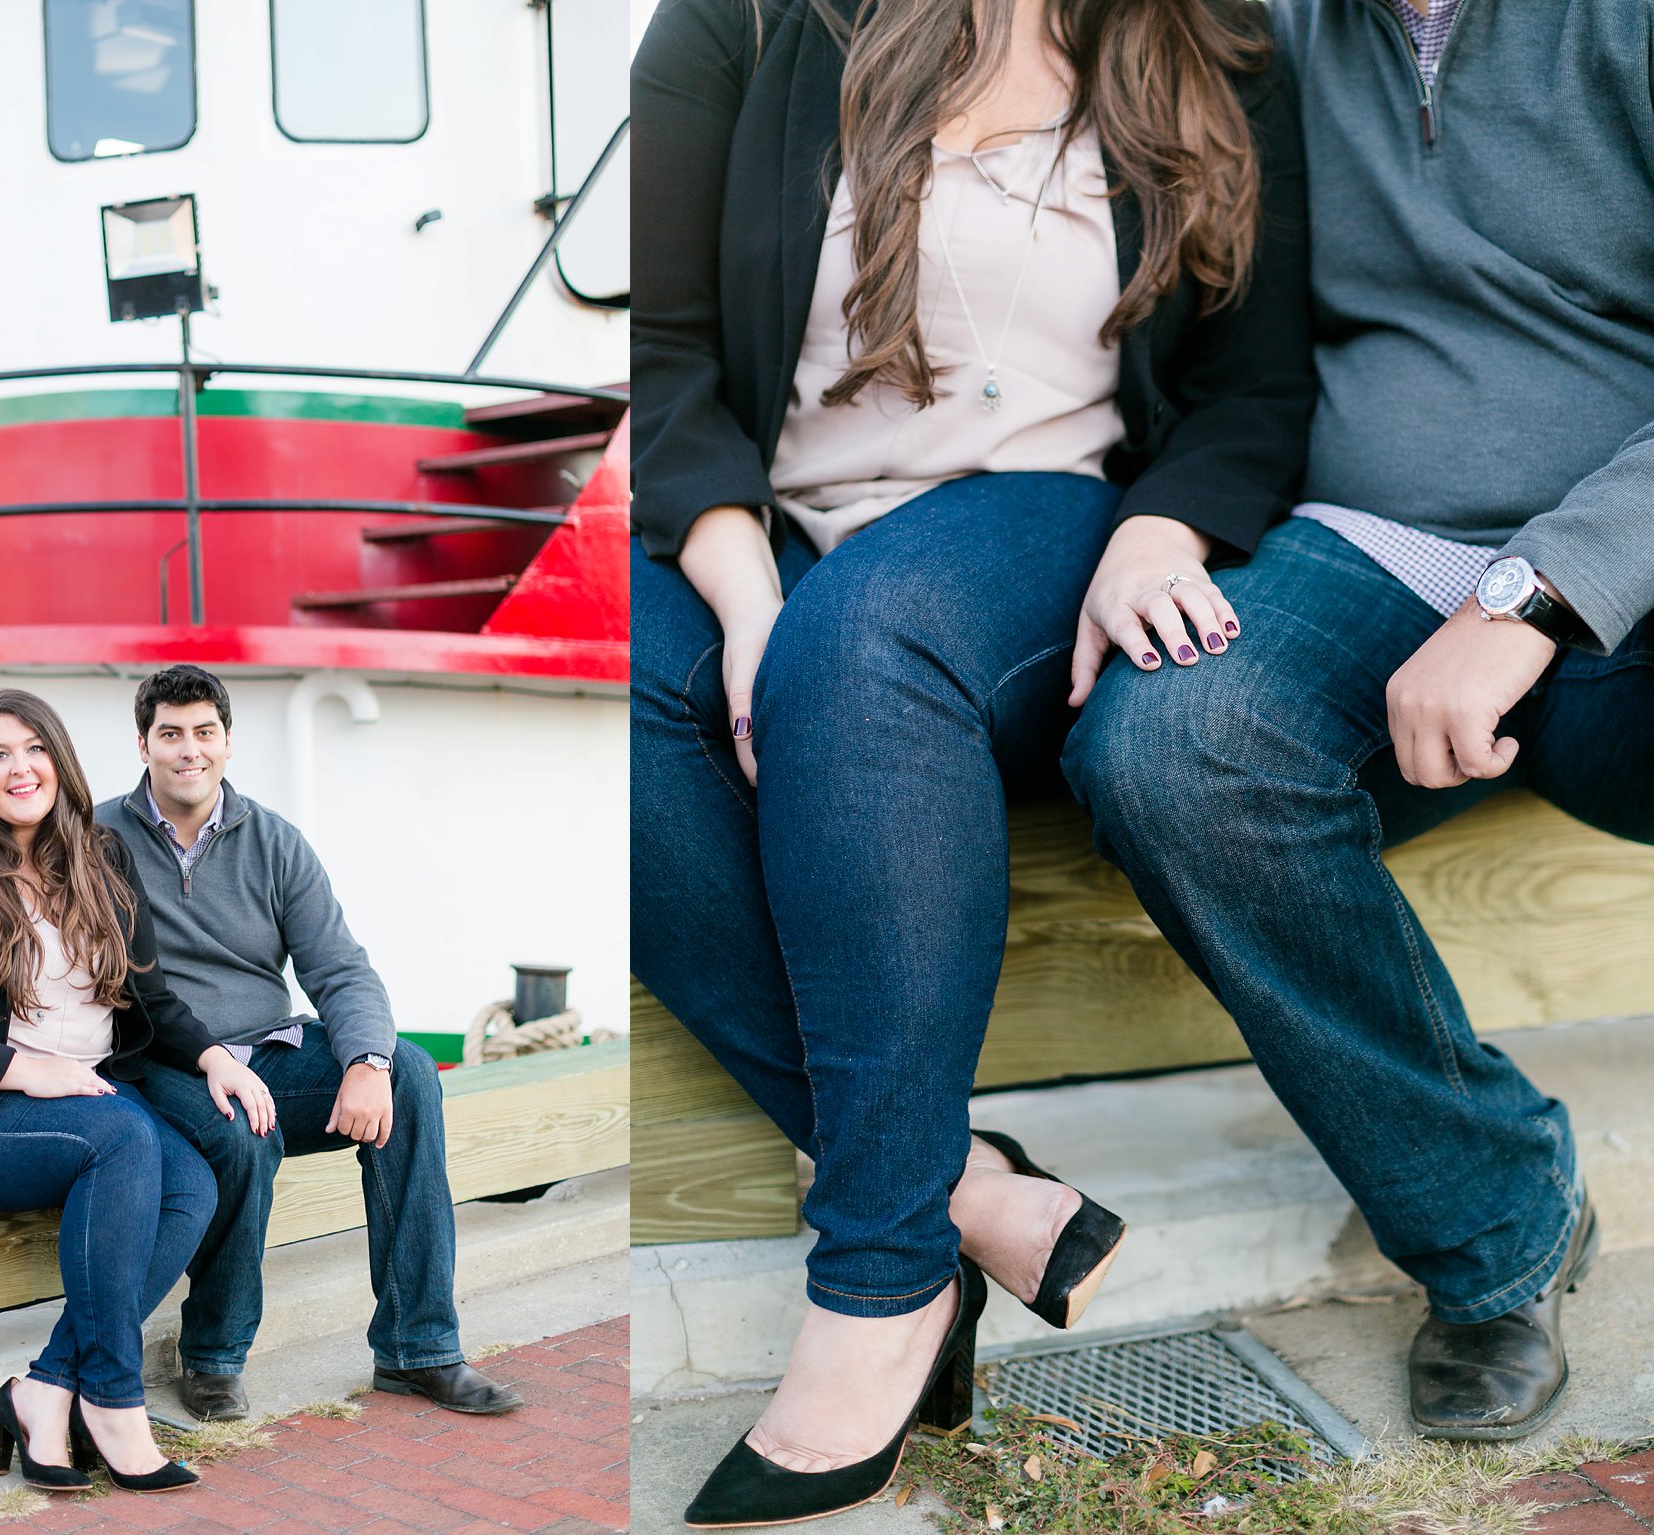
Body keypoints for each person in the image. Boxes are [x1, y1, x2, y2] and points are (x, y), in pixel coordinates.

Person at [631, 0, 1313, 1521]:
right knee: (615, 689)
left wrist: (1161, 526)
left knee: (863, 644)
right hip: (772, 537)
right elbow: (663, 360)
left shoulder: (1212, 48)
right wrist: (747, 615)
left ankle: (879, 1278)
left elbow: (1254, 392)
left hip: (1038, 528)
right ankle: (966, 1186)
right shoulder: (739, 29)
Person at [1063, 0, 1654, 1443]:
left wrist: (1532, 595)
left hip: (1618, 549)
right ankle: (1498, 1225)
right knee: (1172, 745)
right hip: (1371, 541)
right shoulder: (1262, 29)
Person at [0, 688, 276, 1494]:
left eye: (34, 747)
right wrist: (22, 1070)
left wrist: (214, 1054)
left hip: (78, 1098)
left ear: (60, 757)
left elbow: (147, 995)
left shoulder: (99, 854)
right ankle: (113, 1403)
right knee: (124, 1137)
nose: (21, 768)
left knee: (192, 1181)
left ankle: (44, 1388)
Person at [97, 665, 523, 1423]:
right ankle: (214, 1357)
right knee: (243, 1128)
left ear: (228, 742)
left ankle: (416, 1349)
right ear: (143, 744)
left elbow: (339, 966)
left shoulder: (274, 842)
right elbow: (111, 983)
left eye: (204, 732)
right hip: (163, 1058)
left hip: (269, 1047)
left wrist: (366, 1061)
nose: (188, 750)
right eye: (170, 734)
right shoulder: (98, 841)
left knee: (415, 1075)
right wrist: (209, 1060)